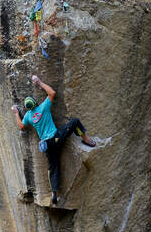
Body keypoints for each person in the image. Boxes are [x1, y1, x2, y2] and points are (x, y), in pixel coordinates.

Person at [12, 75, 96, 205]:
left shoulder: (28, 116)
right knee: (75, 122)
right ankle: (86, 139)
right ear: (36, 102)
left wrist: (16, 113)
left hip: (47, 145)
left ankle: (54, 193)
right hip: (56, 137)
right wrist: (39, 82)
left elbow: (22, 126)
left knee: (53, 167)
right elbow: (52, 93)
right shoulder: (43, 107)